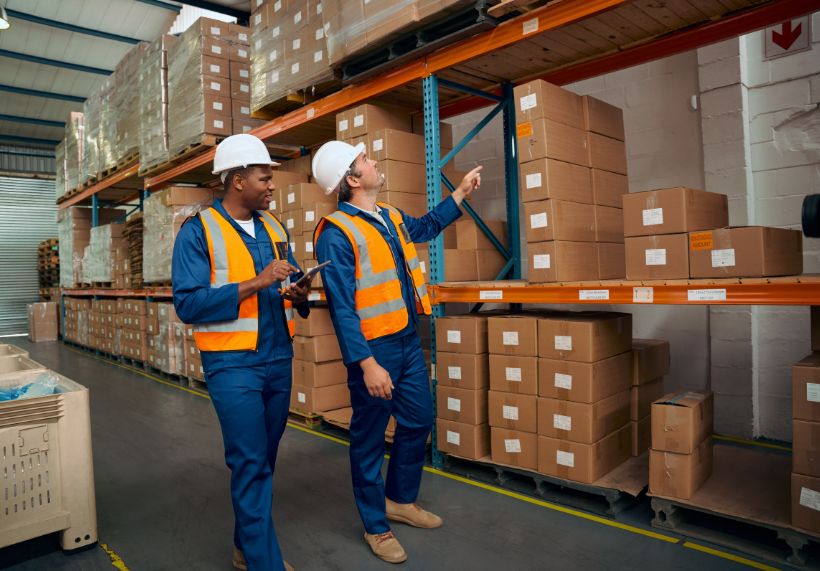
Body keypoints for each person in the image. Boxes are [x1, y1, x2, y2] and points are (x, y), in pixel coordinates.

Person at [312, 140, 482, 564]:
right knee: (369, 440)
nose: (374, 162)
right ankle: (375, 525)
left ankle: (400, 500)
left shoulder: (388, 215)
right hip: (374, 349)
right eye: (365, 161)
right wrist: (366, 363)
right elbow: (342, 307)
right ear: (353, 180)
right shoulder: (336, 233)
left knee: (419, 420)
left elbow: (423, 228)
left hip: (407, 338)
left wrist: (458, 194)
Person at [172, 134, 312, 571]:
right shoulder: (198, 231)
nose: (272, 186)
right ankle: (263, 562)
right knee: (250, 461)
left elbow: (284, 288)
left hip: (277, 359)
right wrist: (257, 281)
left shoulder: (275, 227)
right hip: (232, 364)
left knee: (264, 459)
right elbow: (188, 304)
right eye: (264, 178)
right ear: (236, 181)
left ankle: (244, 547)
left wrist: (300, 294)